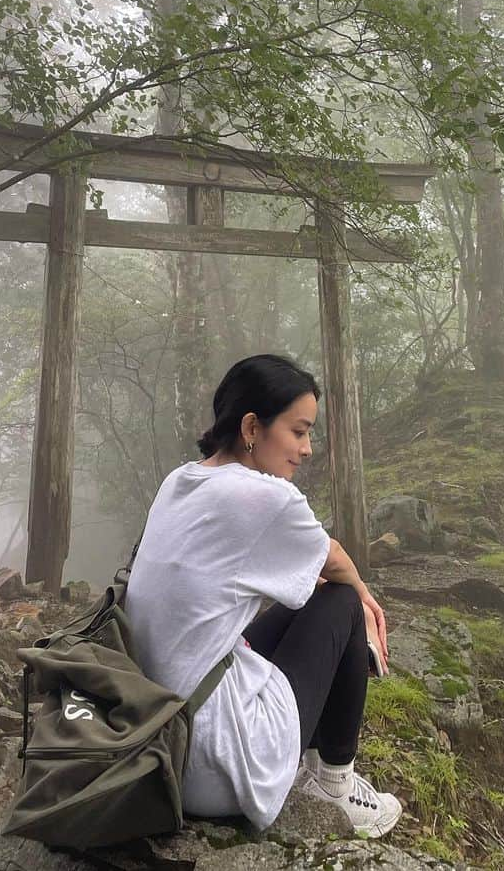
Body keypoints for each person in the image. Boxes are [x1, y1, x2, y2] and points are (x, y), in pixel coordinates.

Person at [125, 353, 402, 837]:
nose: (308, 448)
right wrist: (366, 602)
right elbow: (332, 559)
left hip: (156, 738)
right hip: (215, 768)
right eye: (299, 431)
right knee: (341, 602)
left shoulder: (181, 480)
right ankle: (335, 787)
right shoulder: (264, 497)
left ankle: (318, 771)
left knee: (318, 600)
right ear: (252, 426)